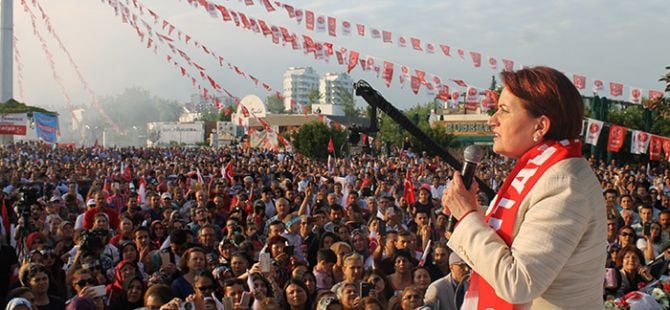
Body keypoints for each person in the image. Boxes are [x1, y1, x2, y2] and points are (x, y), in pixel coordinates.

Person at [442, 66, 607, 308]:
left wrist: (467, 217)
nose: (492, 120)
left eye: (504, 111)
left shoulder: (563, 185)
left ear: (540, 126)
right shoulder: (544, 171)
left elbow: (519, 282)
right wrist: (471, 214)